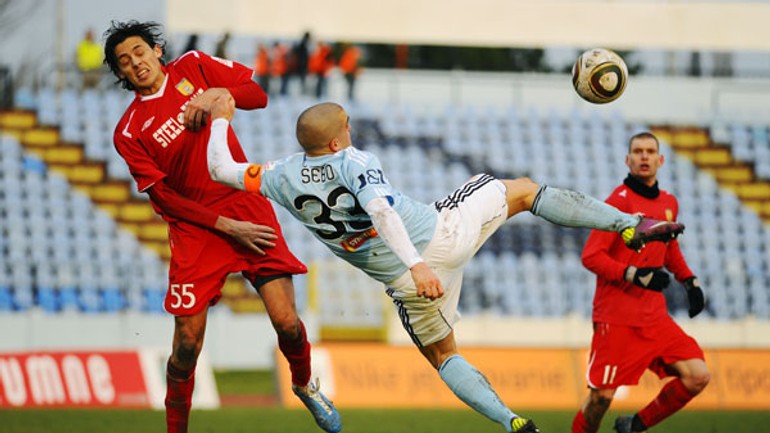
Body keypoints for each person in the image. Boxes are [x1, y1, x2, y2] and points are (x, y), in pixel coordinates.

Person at [206, 98, 687, 433]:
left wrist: (221, 120)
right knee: (520, 189)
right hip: (439, 236)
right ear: (335, 141)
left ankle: (511, 421)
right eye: (346, 125)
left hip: (408, 284)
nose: (350, 130)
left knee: (444, 356)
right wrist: (418, 263)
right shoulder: (354, 159)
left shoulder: (277, 175)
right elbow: (380, 210)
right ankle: (628, 224)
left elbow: (218, 169)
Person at [102, 21, 341, 433]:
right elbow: (163, 199)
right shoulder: (128, 131)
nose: (135, 63)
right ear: (121, 74)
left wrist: (219, 94)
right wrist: (225, 227)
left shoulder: (194, 66)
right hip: (198, 229)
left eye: (139, 52)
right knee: (188, 346)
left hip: (245, 204)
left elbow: (259, 96)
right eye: (124, 62)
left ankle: (304, 385)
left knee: (286, 322)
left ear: (157, 50)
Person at [571, 132, 709, 433]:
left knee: (698, 375)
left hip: (654, 317)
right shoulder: (616, 204)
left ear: (660, 160)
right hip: (616, 317)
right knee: (600, 398)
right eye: (638, 151)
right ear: (628, 160)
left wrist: (689, 281)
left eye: (650, 151)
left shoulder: (669, 202)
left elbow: (669, 247)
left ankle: (634, 425)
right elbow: (591, 256)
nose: (644, 156)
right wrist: (634, 275)